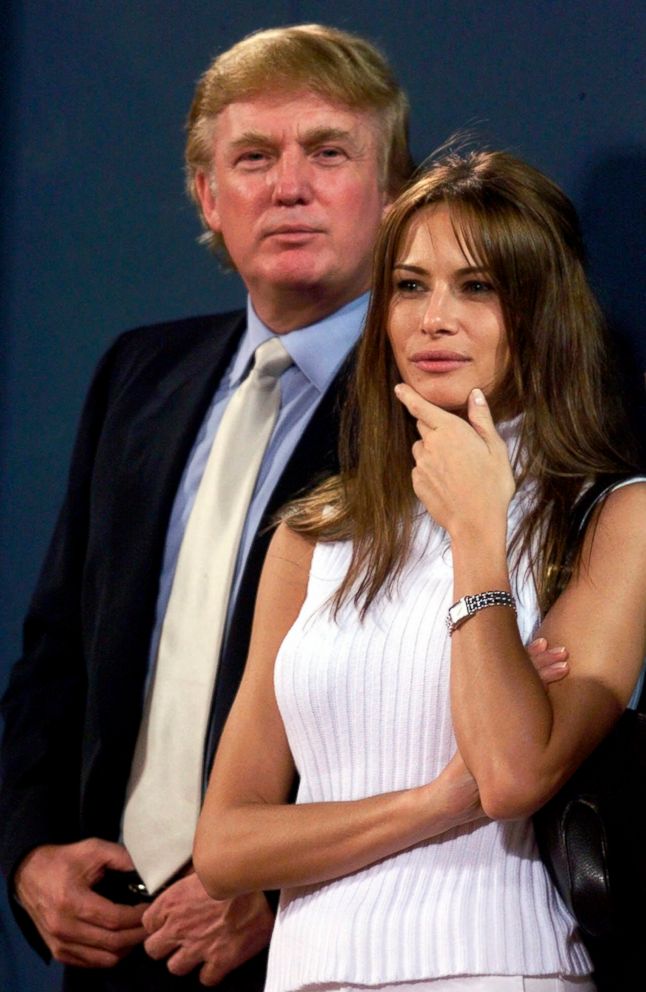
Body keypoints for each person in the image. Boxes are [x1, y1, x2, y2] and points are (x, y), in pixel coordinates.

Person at [0, 23, 415, 992]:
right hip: (108, 934)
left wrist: (274, 884)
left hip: (314, 944)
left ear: (393, 190)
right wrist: (27, 852)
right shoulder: (137, 373)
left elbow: (455, 719)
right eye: (253, 157)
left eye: (328, 151)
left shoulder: (428, 397)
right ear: (208, 196)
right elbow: (56, 648)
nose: (289, 186)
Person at [193, 149, 646, 992]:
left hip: (501, 967)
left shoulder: (614, 517)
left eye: (477, 287)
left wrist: (479, 529)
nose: (434, 318)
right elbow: (223, 847)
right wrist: (430, 806)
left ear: (541, 310)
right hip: (306, 971)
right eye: (409, 286)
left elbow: (511, 776)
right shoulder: (313, 534)